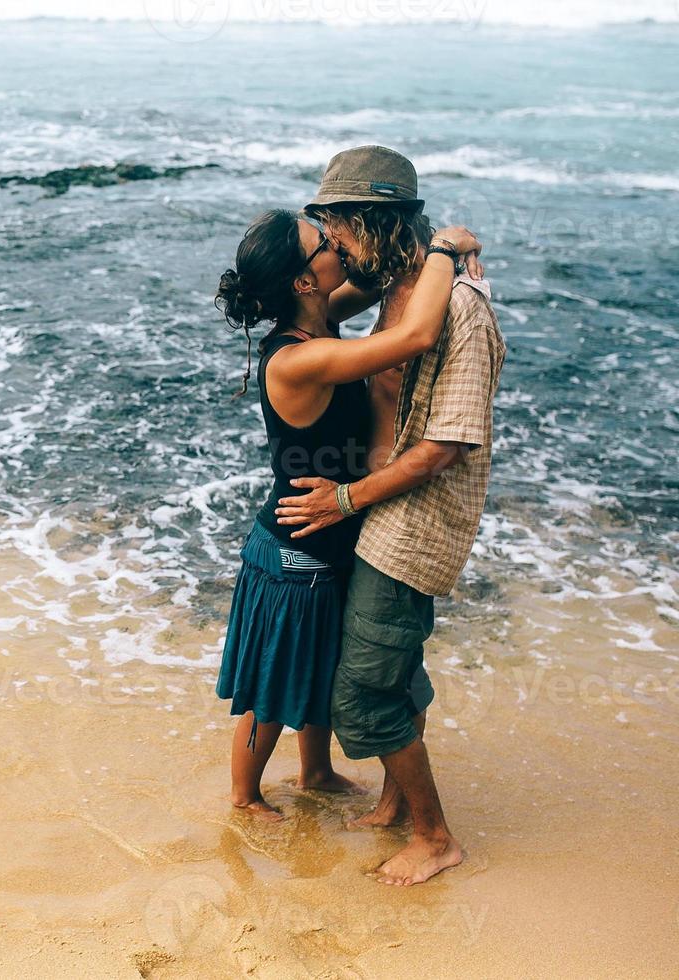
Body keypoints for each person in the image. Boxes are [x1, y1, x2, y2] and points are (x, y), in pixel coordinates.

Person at [279, 145, 506, 884]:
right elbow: (319, 314)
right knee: (395, 663)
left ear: (374, 222)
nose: (334, 247)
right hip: (377, 511)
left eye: (338, 228)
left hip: (412, 518)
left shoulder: (459, 309)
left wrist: (345, 497)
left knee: (363, 691)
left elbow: (446, 444)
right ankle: (396, 803)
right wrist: (447, 246)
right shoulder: (395, 285)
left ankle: (436, 837)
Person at [213, 206, 482, 822]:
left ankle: (315, 771)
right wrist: (444, 248)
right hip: (295, 546)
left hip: (324, 530)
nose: (336, 243)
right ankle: (244, 796)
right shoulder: (295, 358)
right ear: (305, 280)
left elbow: (384, 279)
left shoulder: (322, 319)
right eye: (323, 243)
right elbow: (413, 336)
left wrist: (411, 248)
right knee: (275, 682)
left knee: (316, 662)